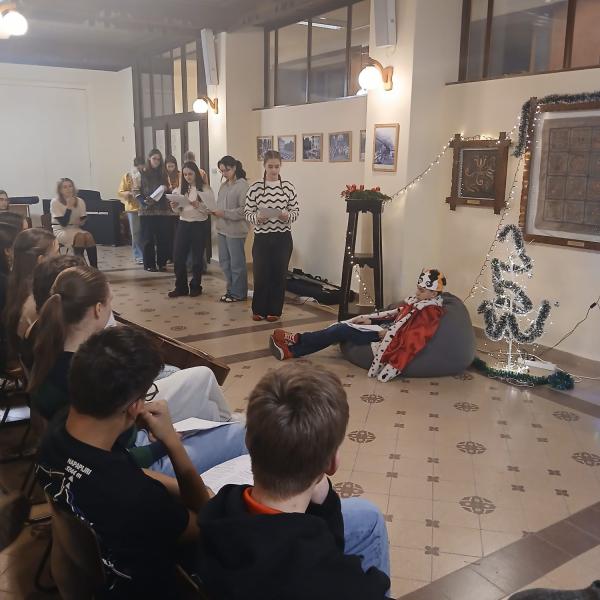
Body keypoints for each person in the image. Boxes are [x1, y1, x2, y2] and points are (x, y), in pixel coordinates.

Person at [36, 326, 211, 598]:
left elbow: (130, 472)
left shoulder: (56, 433)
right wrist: (171, 442)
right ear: (134, 406)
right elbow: (204, 522)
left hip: (93, 573)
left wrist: (175, 488)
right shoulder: (135, 499)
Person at [196, 364, 391, 599]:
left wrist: (325, 505)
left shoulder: (218, 509)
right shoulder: (337, 582)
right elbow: (365, 584)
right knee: (370, 517)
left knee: (367, 514)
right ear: (331, 464)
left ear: (248, 442)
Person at [26, 265, 244, 476]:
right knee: (240, 432)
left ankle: (222, 425)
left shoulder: (50, 347)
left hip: (117, 446)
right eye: (110, 301)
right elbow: (115, 456)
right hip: (137, 462)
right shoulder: (92, 372)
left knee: (202, 381)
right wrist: (165, 442)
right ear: (98, 309)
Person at [270, 269, 447, 383]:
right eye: (417, 288)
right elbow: (397, 315)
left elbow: (414, 338)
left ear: (433, 293)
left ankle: (296, 339)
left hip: (385, 338)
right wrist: (372, 321)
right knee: (340, 328)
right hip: (381, 328)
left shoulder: (430, 312)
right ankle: (292, 350)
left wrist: (386, 333)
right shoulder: (417, 302)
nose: (416, 292)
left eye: (421, 290)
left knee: (339, 330)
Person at [244, 150, 299, 322]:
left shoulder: (288, 187)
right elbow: (247, 212)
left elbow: (296, 212)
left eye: (276, 166)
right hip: (262, 237)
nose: (274, 170)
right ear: (264, 166)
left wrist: (287, 216)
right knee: (261, 274)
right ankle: (259, 309)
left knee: (278, 274)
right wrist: (257, 218)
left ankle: (275, 310)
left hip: (282, 237)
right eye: (270, 166)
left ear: (281, 166)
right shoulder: (255, 188)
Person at [3, 228, 58, 356]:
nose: (60, 257)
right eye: (56, 252)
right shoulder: (37, 299)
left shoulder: (15, 284)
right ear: (41, 260)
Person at [167, 162, 213, 298]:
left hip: (199, 224)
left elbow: (210, 209)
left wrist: (199, 205)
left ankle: (196, 286)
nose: (188, 177)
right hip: (183, 224)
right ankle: (181, 287)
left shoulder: (205, 189)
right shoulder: (180, 189)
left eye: (190, 174)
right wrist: (174, 206)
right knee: (178, 256)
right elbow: (177, 210)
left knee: (197, 258)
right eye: (185, 174)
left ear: (196, 174)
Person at [214, 156, 249, 302]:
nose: (224, 173)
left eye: (226, 170)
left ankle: (239, 293)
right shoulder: (224, 186)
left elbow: (243, 211)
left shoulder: (243, 186)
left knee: (236, 264)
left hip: (236, 230)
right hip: (222, 228)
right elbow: (219, 205)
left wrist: (224, 213)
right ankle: (230, 290)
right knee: (224, 262)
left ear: (234, 168)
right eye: (221, 171)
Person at [136, 149, 172, 273]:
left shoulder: (164, 173)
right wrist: (143, 201)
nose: (156, 161)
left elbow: (169, 188)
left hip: (162, 210)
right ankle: (149, 264)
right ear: (149, 159)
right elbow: (136, 190)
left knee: (163, 238)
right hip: (147, 210)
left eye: (158, 159)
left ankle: (162, 263)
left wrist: (166, 188)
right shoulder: (141, 173)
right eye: (154, 159)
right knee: (148, 238)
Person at [50, 178, 98, 268]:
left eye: (70, 186)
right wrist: (69, 207)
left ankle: (94, 268)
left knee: (89, 236)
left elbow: (84, 219)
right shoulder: (55, 202)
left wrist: (83, 221)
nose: (68, 189)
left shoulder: (80, 201)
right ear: (60, 190)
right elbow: (63, 223)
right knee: (80, 236)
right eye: (65, 187)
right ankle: (80, 267)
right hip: (61, 229)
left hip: (75, 228)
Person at [117, 157, 145, 264]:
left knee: (145, 233)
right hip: (132, 208)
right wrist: (129, 193)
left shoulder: (146, 175)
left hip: (145, 208)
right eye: (138, 167)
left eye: (142, 166)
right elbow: (120, 191)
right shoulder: (128, 176)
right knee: (136, 233)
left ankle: (146, 254)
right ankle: (138, 255)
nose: (140, 169)